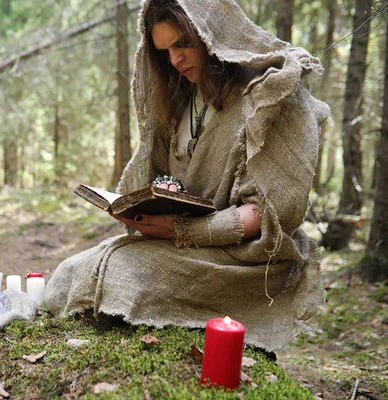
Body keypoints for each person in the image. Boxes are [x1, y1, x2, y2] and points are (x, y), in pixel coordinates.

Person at [45, 0, 330, 351]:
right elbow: (175, 181)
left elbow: (271, 213)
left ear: (212, 33)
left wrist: (183, 230)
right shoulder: (184, 97)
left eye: (182, 44)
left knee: (119, 273)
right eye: (165, 51)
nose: (175, 60)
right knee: (70, 271)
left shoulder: (273, 89)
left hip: (243, 258)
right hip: (183, 245)